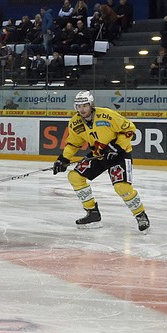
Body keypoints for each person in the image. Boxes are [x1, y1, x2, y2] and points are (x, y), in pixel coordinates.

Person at [50, 90, 150, 231]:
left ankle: (140, 215)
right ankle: (92, 213)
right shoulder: (75, 123)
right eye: (78, 106)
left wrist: (117, 146)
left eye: (84, 105)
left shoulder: (106, 115)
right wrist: (63, 159)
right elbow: (73, 143)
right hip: (99, 155)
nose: (81, 109)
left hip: (119, 155)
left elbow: (129, 128)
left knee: (122, 187)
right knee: (75, 176)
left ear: (91, 105)